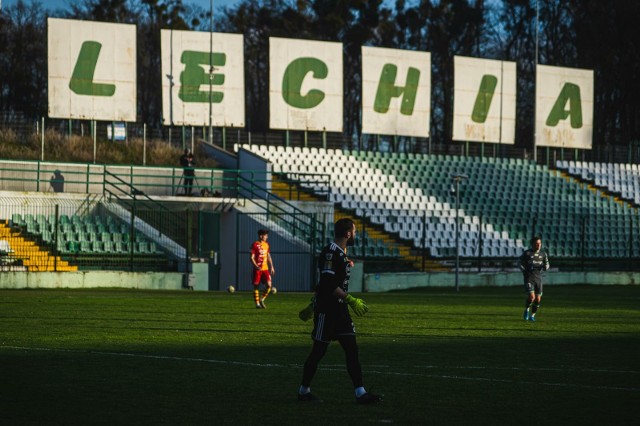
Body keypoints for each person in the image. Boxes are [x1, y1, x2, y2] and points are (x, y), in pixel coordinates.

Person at [297, 218, 382, 405]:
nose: (357, 234)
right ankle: (303, 391)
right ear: (348, 234)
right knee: (318, 351)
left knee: (352, 349)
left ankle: (360, 392)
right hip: (327, 311)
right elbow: (327, 283)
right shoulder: (330, 252)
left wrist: (346, 263)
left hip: (340, 311)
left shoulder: (341, 253)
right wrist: (349, 299)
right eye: (355, 231)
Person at [519, 236, 550, 322]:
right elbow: (520, 262)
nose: (538, 245)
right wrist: (523, 269)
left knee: (538, 299)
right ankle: (527, 310)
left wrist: (546, 267)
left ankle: (532, 316)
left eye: (539, 243)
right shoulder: (527, 253)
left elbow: (547, 264)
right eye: (536, 244)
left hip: (538, 279)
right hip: (529, 277)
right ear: (532, 244)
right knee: (531, 297)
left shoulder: (543, 254)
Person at [250, 229, 275, 309]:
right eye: (266, 235)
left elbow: (268, 256)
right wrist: (255, 265)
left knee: (269, 285)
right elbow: (251, 257)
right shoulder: (254, 245)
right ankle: (257, 304)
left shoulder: (266, 245)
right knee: (256, 286)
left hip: (265, 269)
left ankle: (262, 299)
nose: (267, 237)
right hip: (257, 270)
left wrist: (272, 266)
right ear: (261, 236)